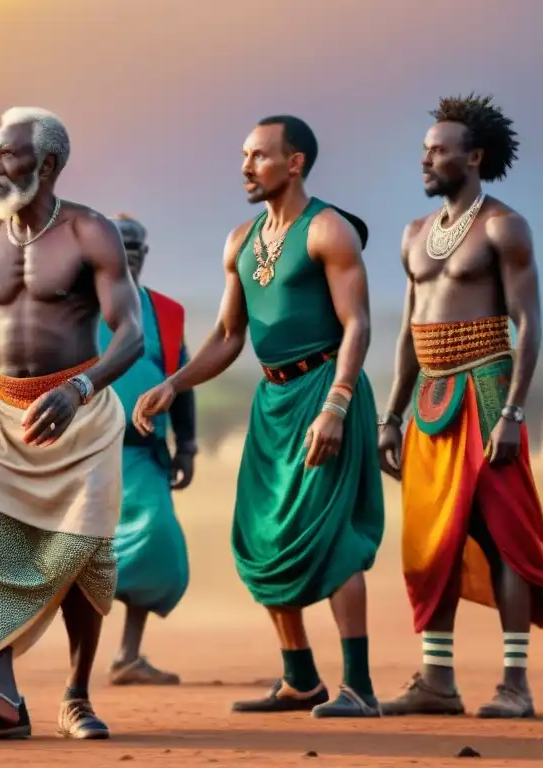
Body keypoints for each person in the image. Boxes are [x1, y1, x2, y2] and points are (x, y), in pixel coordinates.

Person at [134, 115, 384, 718]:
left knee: (334, 540)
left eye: (260, 156)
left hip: (327, 391)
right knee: (263, 537)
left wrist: (338, 404)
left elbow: (358, 325)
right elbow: (226, 336)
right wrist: (173, 384)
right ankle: (300, 679)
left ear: (294, 163)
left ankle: (360, 688)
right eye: (244, 156)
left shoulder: (329, 230)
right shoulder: (240, 240)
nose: (246, 166)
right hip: (273, 404)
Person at [0, 106, 143, 742]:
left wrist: (79, 387)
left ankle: (76, 694)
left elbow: (131, 334)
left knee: (85, 558)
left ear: (46, 164)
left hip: (81, 417)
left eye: (7, 154)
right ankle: (2, 698)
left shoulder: (89, 233)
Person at [377, 94, 543, 719]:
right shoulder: (415, 234)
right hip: (427, 397)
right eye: (424, 149)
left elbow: (530, 324)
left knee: (503, 537)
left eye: (438, 150)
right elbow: (408, 332)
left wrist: (513, 413)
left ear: (473, 157)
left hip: (487, 388)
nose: (426, 159)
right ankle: (437, 681)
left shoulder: (505, 226)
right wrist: (390, 416)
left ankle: (516, 685)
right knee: (432, 539)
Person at [98, 213, 195, 686]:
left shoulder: (165, 313)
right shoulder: (77, 308)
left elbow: (184, 381)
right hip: (86, 458)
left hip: (145, 455)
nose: (129, 252)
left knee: (156, 541)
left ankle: (128, 655)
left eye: (136, 246)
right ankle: (78, 664)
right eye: (119, 244)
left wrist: (189, 446)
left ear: (145, 255)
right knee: (83, 554)